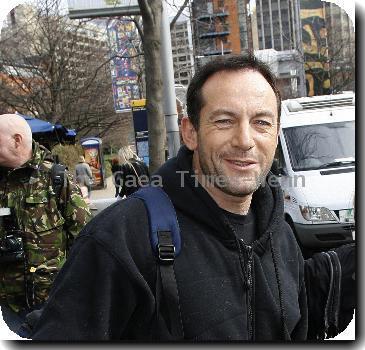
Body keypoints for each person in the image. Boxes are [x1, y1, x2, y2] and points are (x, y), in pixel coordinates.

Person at [31, 55, 354, 341]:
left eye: (262, 122)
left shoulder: (277, 231)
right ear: (190, 132)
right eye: (224, 121)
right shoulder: (121, 238)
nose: (245, 140)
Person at [0, 114, 92, 335]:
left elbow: (85, 240)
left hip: (52, 302)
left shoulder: (56, 178)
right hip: (8, 306)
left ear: (17, 140)